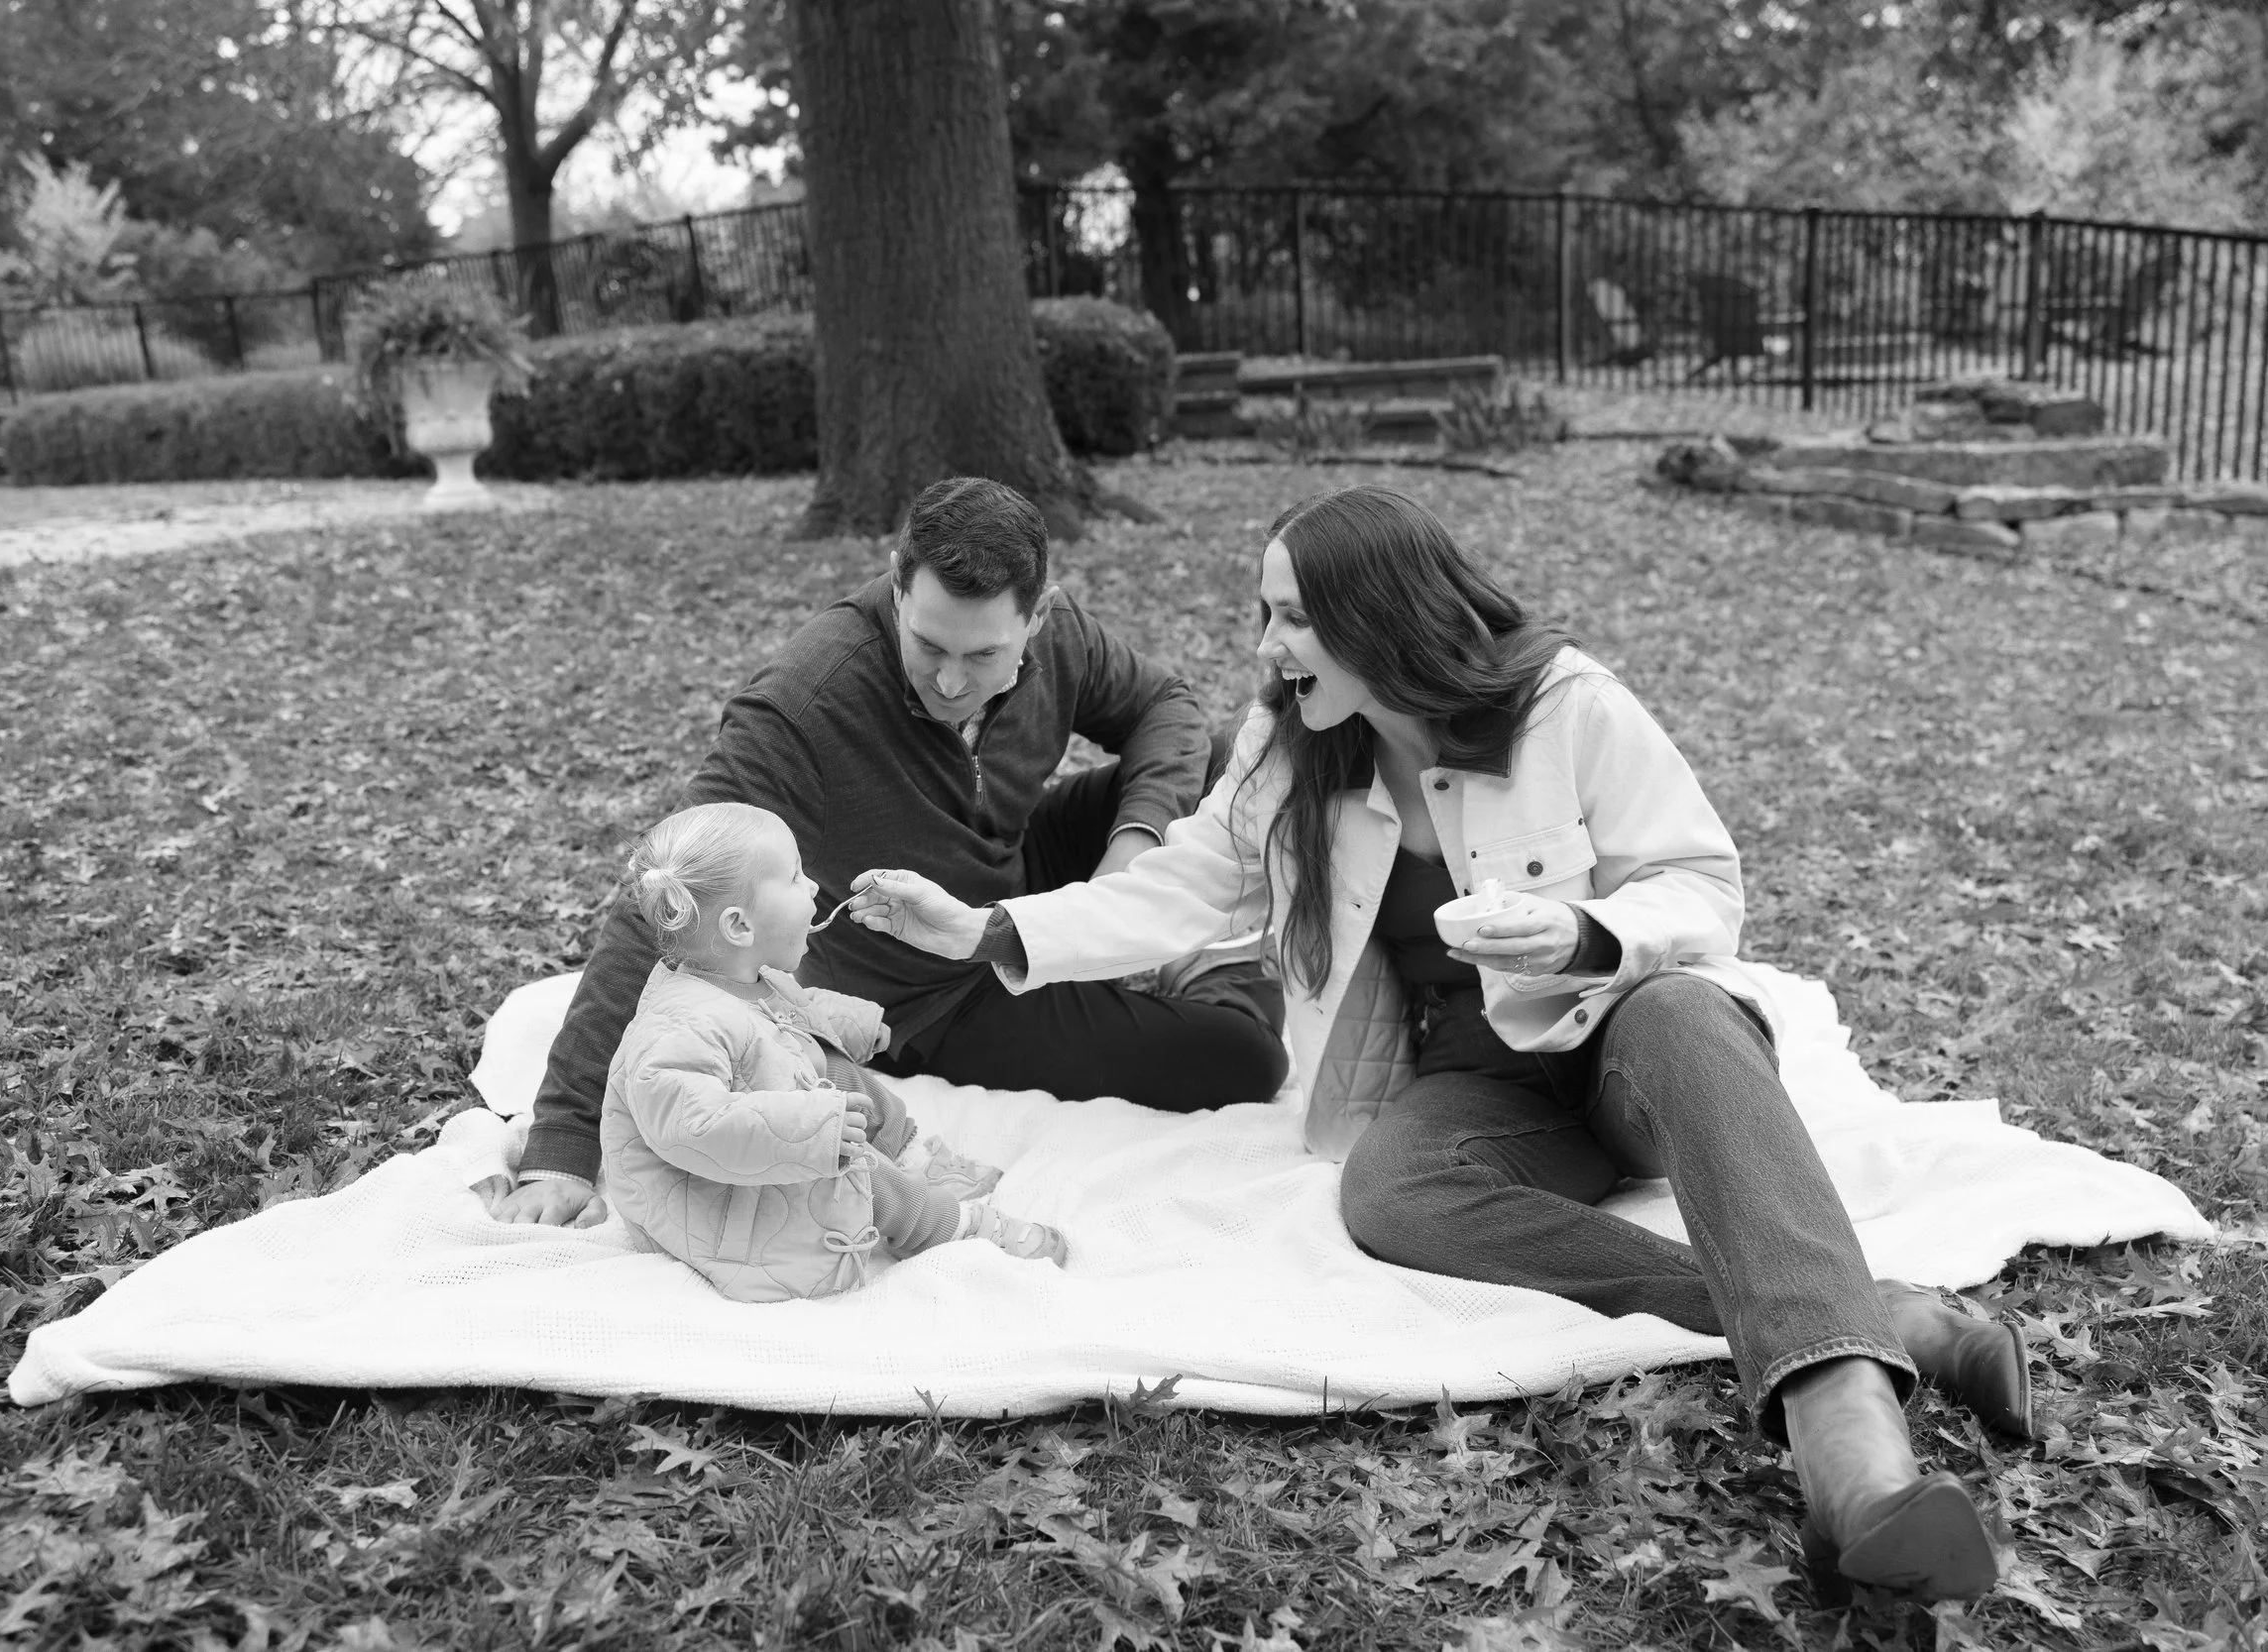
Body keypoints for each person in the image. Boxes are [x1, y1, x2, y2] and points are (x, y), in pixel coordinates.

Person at [846, 483, 2034, 1600]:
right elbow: (1178, 885)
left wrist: (1579, 927)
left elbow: (1698, 881)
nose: (1266, 642)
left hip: (1632, 1041)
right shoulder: (1292, 743)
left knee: (1677, 1008)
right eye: (1263, 611)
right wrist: (987, 925)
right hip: (1481, 1077)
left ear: (1379, 617)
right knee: (1391, 1191)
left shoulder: (1566, 704)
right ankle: (1879, 1315)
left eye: (1296, 615)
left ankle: (1856, 1469)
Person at [479, 477, 1289, 1230]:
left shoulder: (1061, 634)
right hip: (936, 988)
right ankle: (1196, 963)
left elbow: (1166, 708)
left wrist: (1131, 855)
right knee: (1247, 1058)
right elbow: (669, 890)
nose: (948, 681)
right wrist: (564, 1140)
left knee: (1220, 756)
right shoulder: (807, 701)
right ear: (898, 586)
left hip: (1014, 864)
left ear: (1037, 617)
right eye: (930, 645)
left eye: (981, 657)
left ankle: (1143, 936)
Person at [603, 802, 1066, 1301]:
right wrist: (812, 1129)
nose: (814, 887)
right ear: (740, 927)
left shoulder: (742, 975)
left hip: (766, 1150)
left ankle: (910, 1155)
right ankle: (940, 1224)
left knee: (833, 1068)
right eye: (796, 877)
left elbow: (787, 1018)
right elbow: (692, 1127)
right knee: (852, 1159)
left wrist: (854, 1023)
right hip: (722, 1203)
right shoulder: (675, 1028)